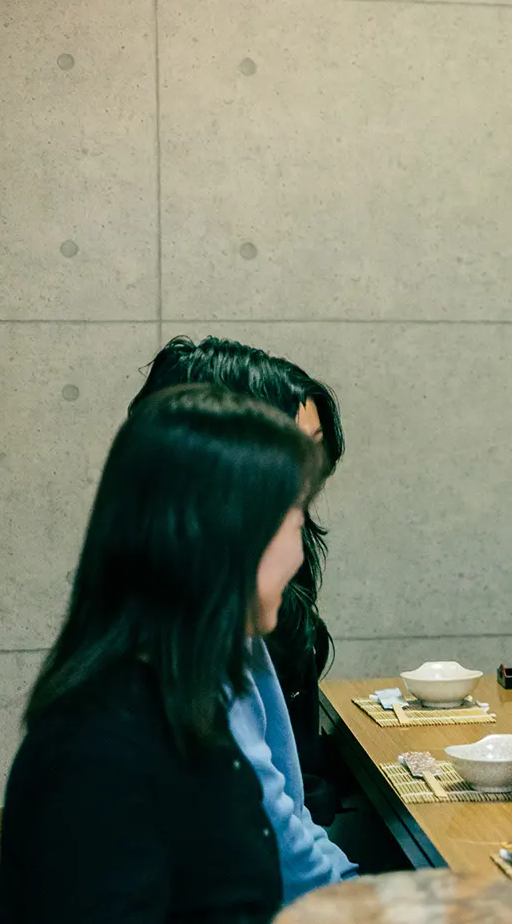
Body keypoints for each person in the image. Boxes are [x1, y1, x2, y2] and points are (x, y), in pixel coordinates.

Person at [0, 385, 326, 923]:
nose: (298, 554)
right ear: (228, 540)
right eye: (293, 523)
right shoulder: (95, 754)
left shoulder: (190, 695)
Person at [130, 337, 356, 899]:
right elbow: (272, 844)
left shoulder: (222, 625)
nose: (302, 534)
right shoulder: (182, 658)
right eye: (287, 463)